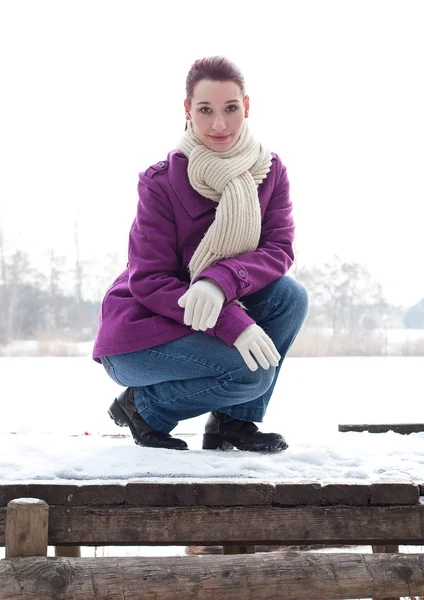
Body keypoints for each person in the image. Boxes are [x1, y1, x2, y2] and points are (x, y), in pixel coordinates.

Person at [93, 56, 308, 452]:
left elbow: (278, 248)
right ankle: (143, 407)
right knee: (251, 375)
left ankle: (233, 424)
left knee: (289, 295)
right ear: (187, 111)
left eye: (230, 109)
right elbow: (148, 279)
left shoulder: (269, 170)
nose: (219, 124)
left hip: (208, 314)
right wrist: (232, 322)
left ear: (246, 106)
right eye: (205, 110)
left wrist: (218, 282)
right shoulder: (161, 181)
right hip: (143, 332)